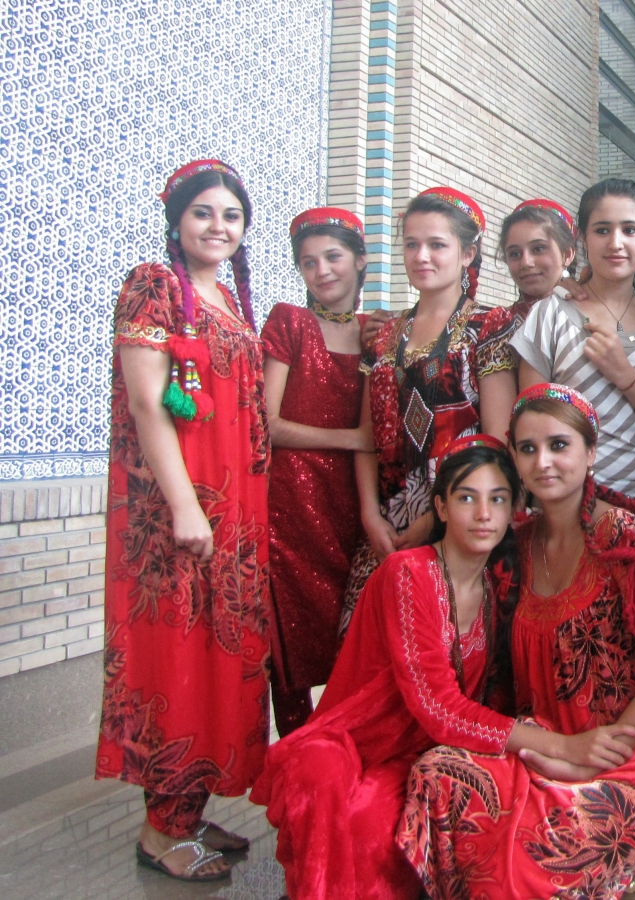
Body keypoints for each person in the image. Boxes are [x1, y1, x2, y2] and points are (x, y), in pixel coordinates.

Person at [397, 383, 635, 900]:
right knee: (437, 776)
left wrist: (590, 759)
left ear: (590, 452)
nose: (543, 462)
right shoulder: (515, 542)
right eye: (527, 448)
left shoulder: (622, 536)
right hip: (547, 742)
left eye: (559, 445)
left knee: (531, 858)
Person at [252, 436, 521, 900]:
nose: (483, 514)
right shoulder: (407, 572)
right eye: (466, 498)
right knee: (321, 779)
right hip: (351, 744)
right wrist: (552, 743)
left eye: (497, 499)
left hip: (418, 755)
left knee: (374, 825)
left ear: (514, 510)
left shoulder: (499, 594)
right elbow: (439, 707)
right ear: (439, 507)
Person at [99, 159, 268, 882]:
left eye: (231, 216)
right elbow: (147, 405)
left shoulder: (227, 297)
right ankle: (159, 830)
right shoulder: (154, 285)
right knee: (175, 652)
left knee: (219, 656)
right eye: (204, 213)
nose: (218, 227)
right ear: (176, 221)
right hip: (182, 512)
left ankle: (188, 811)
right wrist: (183, 506)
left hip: (237, 515)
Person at [342, 187, 518, 625]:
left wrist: (431, 520)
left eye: (437, 244)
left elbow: (496, 437)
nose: (422, 256)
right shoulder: (384, 333)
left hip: (458, 517)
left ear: (467, 253)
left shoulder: (488, 325)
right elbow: (367, 436)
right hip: (385, 523)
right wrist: (369, 516)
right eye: (412, 244)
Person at [510, 178, 635, 524]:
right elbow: (528, 420)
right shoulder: (549, 314)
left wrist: (626, 375)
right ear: (582, 238)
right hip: (562, 510)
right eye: (602, 230)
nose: (616, 243)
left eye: (630, 230)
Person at [261, 206, 372, 736]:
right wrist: (352, 440)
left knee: (353, 638)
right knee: (292, 645)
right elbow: (270, 424)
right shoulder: (290, 321)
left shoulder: (380, 332)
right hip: (292, 507)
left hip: (356, 504)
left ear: (360, 259)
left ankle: (341, 755)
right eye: (308, 262)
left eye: (333, 256)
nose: (322, 270)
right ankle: (296, 763)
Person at [498, 197, 578, 327]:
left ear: (567, 254)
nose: (526, 262)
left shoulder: (591, 316)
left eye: (538, 249)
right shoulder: (495, 325)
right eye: (515, 254)